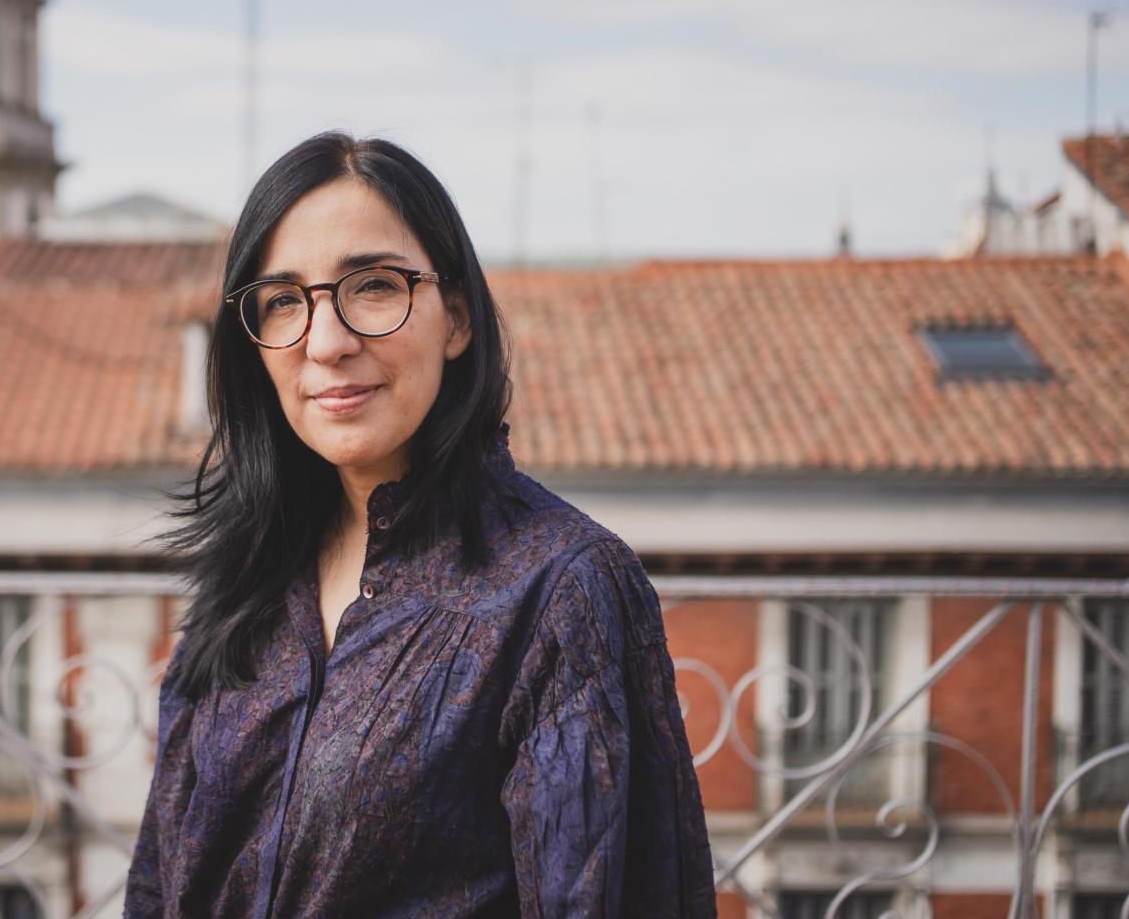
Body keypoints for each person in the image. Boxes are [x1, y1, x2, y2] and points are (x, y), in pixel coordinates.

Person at [124, 131, 717, 917]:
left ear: (458, 319)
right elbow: (160, 882)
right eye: (282, 300)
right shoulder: (247, 575)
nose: (327, 343)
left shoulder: (559, 589)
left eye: (372, 286)